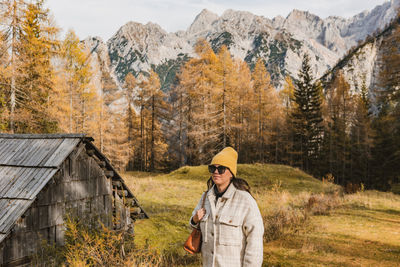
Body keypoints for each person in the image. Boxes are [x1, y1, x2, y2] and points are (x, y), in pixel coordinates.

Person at [189, 147, 264, 267]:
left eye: (221, 169)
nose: (216, 172)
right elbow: (193, 223)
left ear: (231, 173)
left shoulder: (245, 201)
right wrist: (195, 220)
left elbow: (255, 242)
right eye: (212, 168)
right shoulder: (205, 198)